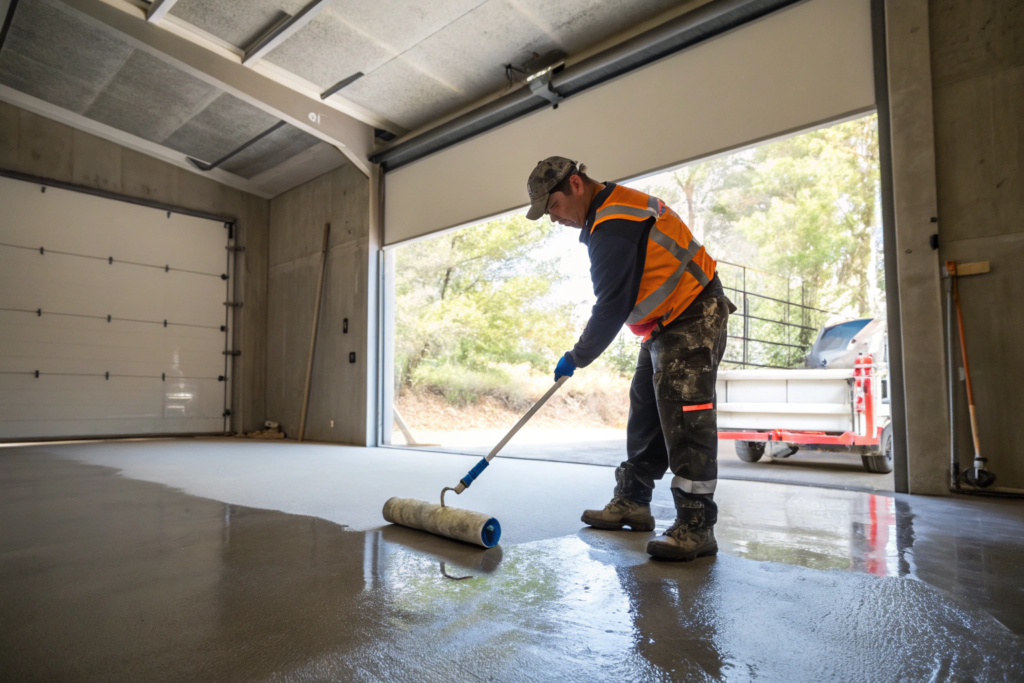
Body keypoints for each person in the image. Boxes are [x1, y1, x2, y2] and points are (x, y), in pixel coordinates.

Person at [525, 156, 735, 561]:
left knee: (686, 417)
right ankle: (633, 502)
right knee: (646, 411)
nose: (553, 219)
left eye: (552, 206)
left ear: (575, 185)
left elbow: (611, 306)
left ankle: (696, 525)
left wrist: (577, 356)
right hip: (663, 325)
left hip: (694, 314)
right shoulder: (609, 213)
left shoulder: (614, 226)